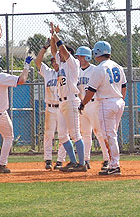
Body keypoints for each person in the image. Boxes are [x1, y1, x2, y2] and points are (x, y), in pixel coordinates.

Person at [79, 41, 127, 176]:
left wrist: (83, 103)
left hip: (107, 103)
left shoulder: (99, 68)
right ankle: (113, 163)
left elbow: (91, 90)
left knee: (109, 136)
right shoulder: (117, 66)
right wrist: (120, 100)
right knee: (112, 134)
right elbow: (124, 86)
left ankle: (114, 166)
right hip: (118, 101)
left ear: (97, 53)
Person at [49, 23, 87, 172]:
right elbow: (54, 51)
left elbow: (62, 50)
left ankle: (82, 164)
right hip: (62, 103)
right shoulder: (62, 64)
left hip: (71, 100)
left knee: (75, 134)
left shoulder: (73, 63)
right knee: (63, 135)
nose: (59, 55)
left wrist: (57, 37)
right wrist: (52, 35)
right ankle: (72, 161)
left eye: (61, 54)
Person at [34, 40, 68, 170]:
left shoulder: (67, 71)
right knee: (48, 134)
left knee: (63, 135)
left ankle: (60, 160)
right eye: (53, 61)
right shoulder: (48, 72)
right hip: (50, 108)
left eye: (56, 61)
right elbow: (37, 62)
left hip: (63, 107)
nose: (54, 63)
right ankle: (48, 159)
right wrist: (45, 47)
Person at [75, 46, 110, 171]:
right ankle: (85, 159)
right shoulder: (77, 71)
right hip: (82, 105)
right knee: (85, 134)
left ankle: (107, 159)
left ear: (88, 57)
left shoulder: (95, 70)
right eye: (78, 56)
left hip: (94, 104)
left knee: (99, 133)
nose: (79, 58)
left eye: (81, 56)